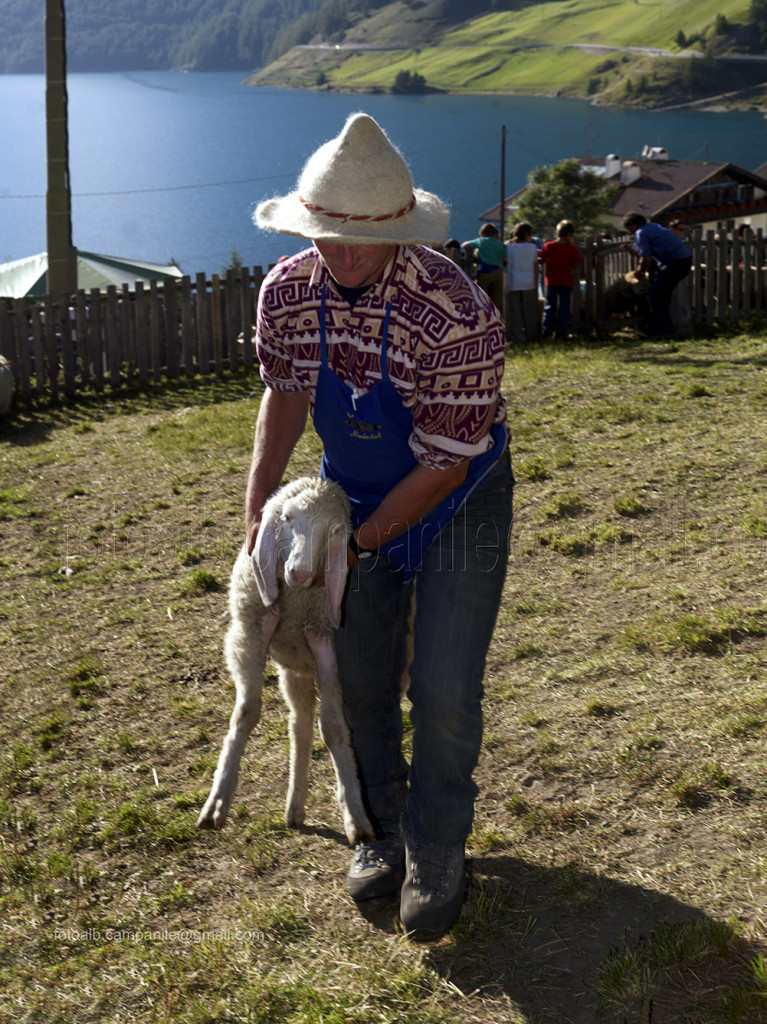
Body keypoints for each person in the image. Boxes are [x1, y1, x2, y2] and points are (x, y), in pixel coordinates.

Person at [249, 112, 514, 941]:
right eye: (323, 235)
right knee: (355, 676)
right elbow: (287, 392)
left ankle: (438, 844)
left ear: (400, 232)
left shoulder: (457, 311)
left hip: (457, 500)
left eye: (358, 242)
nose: (338, 255)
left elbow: (440, 465)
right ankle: (381, 826)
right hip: (351, 495)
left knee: (440, 686)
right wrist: (259, 508)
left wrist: (356, 552)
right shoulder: (290, 291)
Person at [621, 212, 692, 339]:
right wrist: (631, 251)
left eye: (629, 229)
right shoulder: (654, 227)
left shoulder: (641, 232)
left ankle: (663, 331)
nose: (630, 233)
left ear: (634, 225)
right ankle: (668, 329)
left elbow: (646, 257)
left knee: (656, 295)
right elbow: (649, 253)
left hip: (675, 262)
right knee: (663, 295)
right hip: (684, 260)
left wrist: (639, 271)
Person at [539, 219, 581, 340]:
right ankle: (561, 333)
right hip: (566, 282)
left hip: (551, 281)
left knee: (549, 307)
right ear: (569, 234)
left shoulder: (549, 246)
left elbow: (541, 258)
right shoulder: (571, 249)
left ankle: (546, 332)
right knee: (564, 308)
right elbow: (576, 262)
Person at [505, 220, 539, 346]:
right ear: (527, 234)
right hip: (529, 282)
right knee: (530, 311)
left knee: (515, 312)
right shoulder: (532, 247)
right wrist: (535, 279)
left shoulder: (509, 248)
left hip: (513, 282)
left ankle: (517, 339)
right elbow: (535, 265)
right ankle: (531, 337)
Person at [461, 223, 506, 310]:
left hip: (485, 271)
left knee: (482, 298)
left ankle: (483, 319)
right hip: (499, 272)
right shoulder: (500, 244)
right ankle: (495, 320)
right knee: (495, 300)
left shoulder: (482, 241)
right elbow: (503, 258)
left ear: (483, 232)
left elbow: (464, 245)